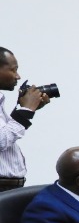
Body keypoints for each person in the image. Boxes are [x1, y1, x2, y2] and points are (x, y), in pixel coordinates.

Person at [0, 48, 51, 191]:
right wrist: (26, 110)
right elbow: (2, 140)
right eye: (13, 70)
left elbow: (5, 131)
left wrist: (25, 110)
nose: (18, 76)